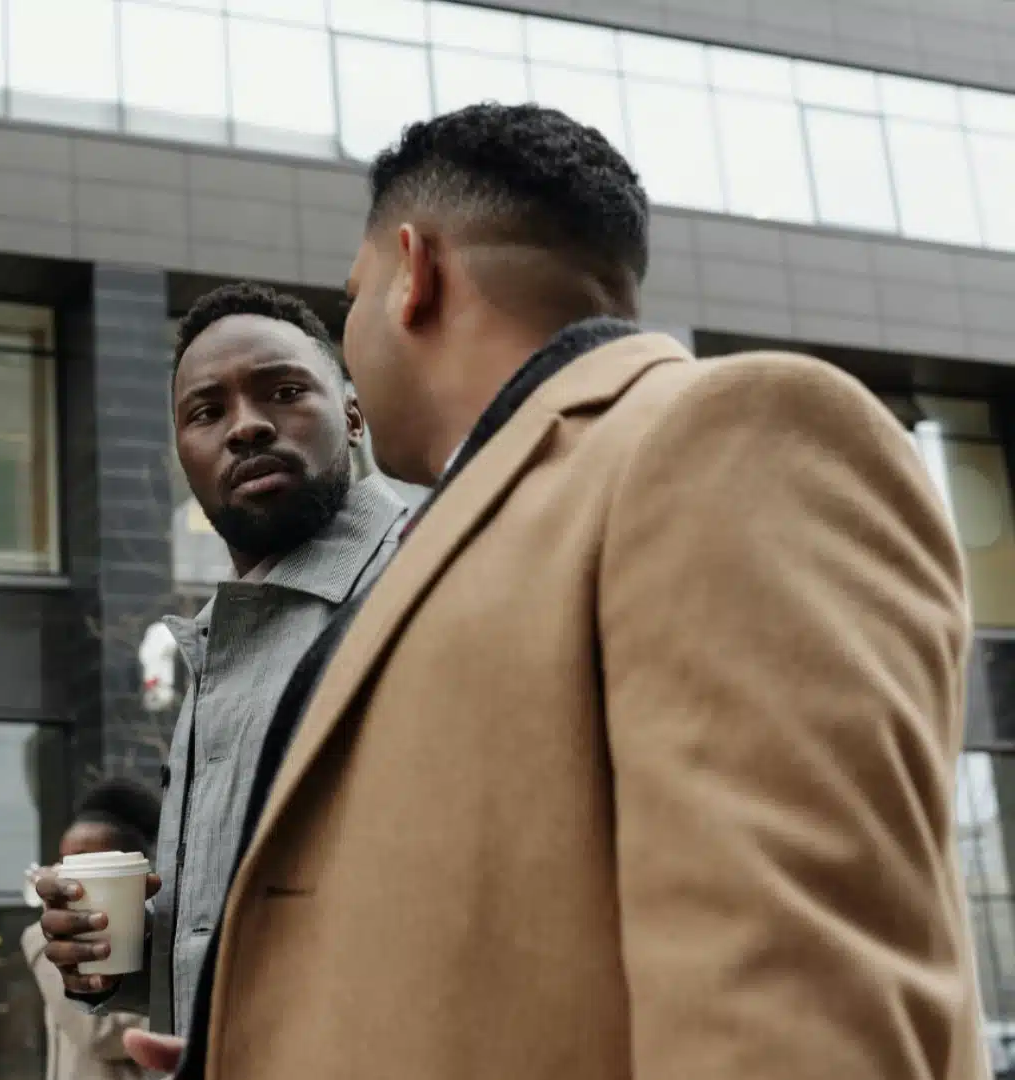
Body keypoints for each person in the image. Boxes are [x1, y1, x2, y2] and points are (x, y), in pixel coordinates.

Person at [149, 102, 984, 1080]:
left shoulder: (731, 435)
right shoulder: (477, 530)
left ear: (414, 273)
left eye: (353, 294)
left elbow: (794, 1006)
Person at [34, 284, 411, 1038]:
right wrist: (128, 957)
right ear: (183, 452)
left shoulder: (424, 584)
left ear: (353, 414)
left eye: (285, 392)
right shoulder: (223, 636)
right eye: (206, 412)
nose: (245, 426)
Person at [21, 780, 162, 1080]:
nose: (66, 872)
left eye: (85, 860)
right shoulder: (52, 934)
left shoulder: (159, 929)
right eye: (64, 860)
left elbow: (102, 1034)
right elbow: (96, 1034)